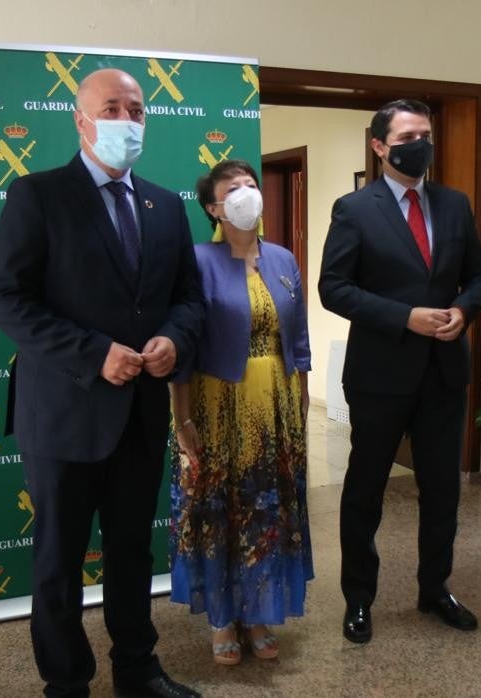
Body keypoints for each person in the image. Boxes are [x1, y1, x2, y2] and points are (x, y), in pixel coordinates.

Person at [0, 68, 204, 698]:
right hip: (62, 414)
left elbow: (188, 299)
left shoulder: (164, 205)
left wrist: (173, 340)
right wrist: (92, 353)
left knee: (133, 553)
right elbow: (3, 298)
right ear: (81, 121)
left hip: (139, 412)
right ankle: (68, 683)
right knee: (58, 562)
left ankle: (138, 669)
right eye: (112, 108)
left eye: (136, 110)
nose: (127, 121)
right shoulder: (38, 195)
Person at [319, 99, 481, 644]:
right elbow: (334, 288)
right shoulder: (355, 208)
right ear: (379, 146)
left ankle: (434, 588)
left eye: (426, 133)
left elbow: (480, 277)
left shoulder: (454, 204)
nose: (421, 144)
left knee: (442, 489)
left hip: (443, 372)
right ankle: (359, 599)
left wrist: (463, 310)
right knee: (365, 490)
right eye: (408, 135)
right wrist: (405, 317)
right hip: (380, 375)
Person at [168, 159, 314, 666]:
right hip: (217, 405)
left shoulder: (282, 259)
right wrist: (182, 420)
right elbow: (182, 352)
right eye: (234, 189)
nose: (248, 193)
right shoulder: (196, 261)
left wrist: (299, 410)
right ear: (213, 206)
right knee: (222, 511)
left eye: (252, 185)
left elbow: (297, 341)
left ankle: (258, 613)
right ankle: (223, 619)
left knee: (267, 510)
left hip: (275, 406)